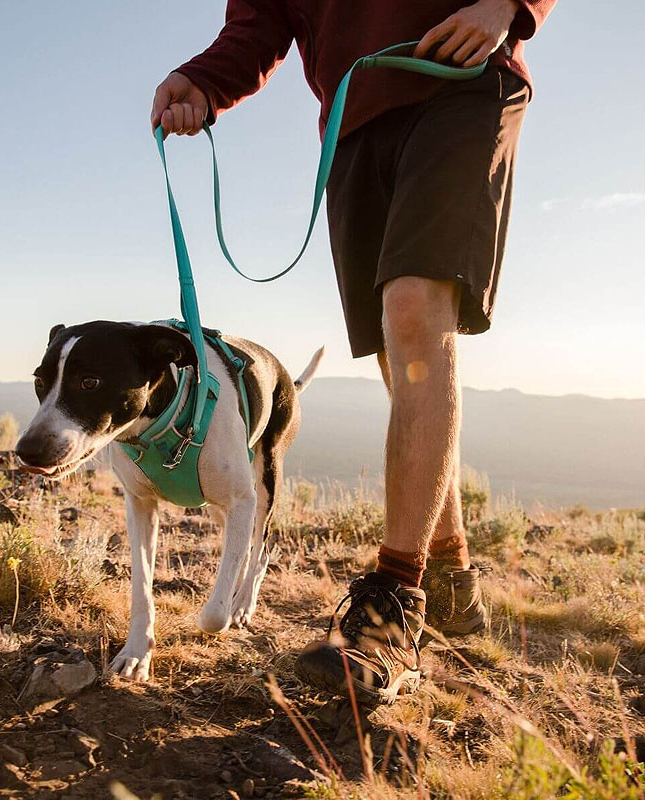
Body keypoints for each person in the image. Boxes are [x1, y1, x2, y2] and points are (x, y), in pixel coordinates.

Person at [150, 0, 557, 704]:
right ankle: (451, 577)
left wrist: (507, 5)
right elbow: (257, 28)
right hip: (352, 121)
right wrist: (201, 82)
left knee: (413, 310)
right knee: (399, 356)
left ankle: (393, 606)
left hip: (460, 85)